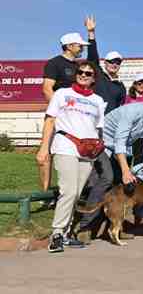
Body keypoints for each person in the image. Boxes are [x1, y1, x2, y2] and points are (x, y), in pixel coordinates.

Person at [76, 92, 143, 242]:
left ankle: (116, 229)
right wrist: (126, 170)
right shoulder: (130, 112)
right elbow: (120, 141)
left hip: (122, 149)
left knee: (122, 190)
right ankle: (84, 227)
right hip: (102, 145)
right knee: (107, 179)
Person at [37, 61, 106, 253]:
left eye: (89, 73)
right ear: (76, 74)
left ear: (94, 78)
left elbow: (98, 129)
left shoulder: (98, 101)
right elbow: (50, 120)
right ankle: (57, 233)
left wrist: (99, 149)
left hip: (88, 150)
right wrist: (44, 148)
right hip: (66, 146)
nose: (84, 75)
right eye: (81, 72)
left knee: (76, 193)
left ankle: (66, 234)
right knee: (69, 191)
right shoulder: (62, 94)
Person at [39, 30, 90, 193]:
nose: (82, 47)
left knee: (74, 153)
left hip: (75, 118)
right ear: (68, 46)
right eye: (79, 45)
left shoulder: (79, 67)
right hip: (57, 115)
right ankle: (45, 194)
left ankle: (70, 191)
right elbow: (47, 88)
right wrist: (59, 110)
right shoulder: (54, 63)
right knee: (45, 154)